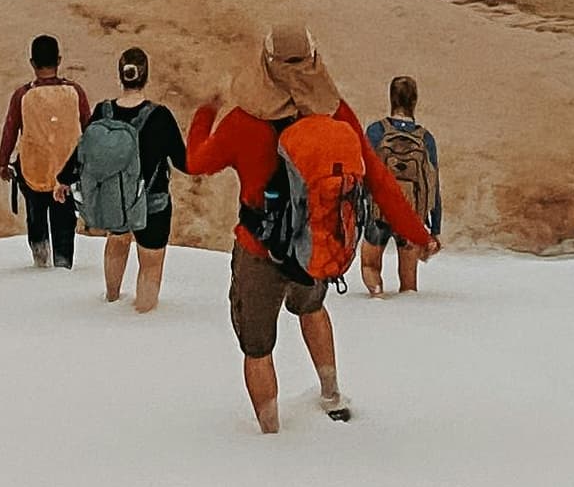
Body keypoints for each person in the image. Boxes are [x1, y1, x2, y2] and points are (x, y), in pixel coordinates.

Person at [180, 21, 432, 433]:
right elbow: (379, 181)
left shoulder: (243, 121)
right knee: (312, 309)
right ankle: (332, 394)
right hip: (314, 244)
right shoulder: (336, 114)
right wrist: (420, 235)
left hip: (258, 248)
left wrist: (205, 112)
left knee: (258, 348)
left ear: (266, 65)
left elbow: (195, 163)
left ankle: (271, 434)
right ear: (315, 61)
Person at [74, 47, 187, 314]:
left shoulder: (103, 111)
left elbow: (82, 153)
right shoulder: (161, 116)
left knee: (117, 242)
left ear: (120, 76)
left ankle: (111, 298)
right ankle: (143, 316)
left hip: (115, 200)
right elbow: (185, 163)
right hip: (152, 203)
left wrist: (63, 181)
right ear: (146, 76)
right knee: (151, 261)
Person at [0, 33, 88, 270]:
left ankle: (40, 261)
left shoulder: (23, 95)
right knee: (65, 220)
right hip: (67, 172)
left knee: (36, 216)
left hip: (32, 169)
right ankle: (63, 264)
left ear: (32, 63)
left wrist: (3, 163)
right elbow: (89, 129)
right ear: (59, 59)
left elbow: (10, 130)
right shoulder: (75, 91)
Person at [358, 74, 443, 295]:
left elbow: (364, 174)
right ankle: (407, 316)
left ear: (391, 99)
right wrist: (434, 229)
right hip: (411, 215)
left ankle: (377, 297)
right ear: (415, 101)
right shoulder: (426, 139)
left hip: (379, 213)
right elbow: (434, 186)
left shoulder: (376, 131)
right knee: (409, 284)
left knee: (370, 265)